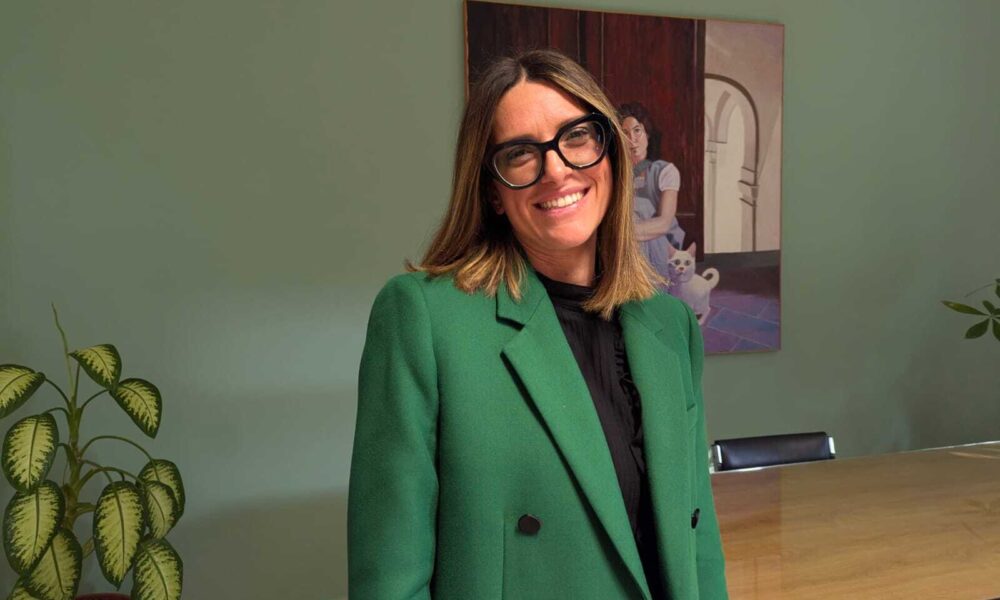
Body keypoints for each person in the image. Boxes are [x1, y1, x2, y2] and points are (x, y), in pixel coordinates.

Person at [348, 49, 728, 600]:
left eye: (578, 136)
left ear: (610, 154)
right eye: (521, 153)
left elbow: (698, 544)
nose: (557, 170)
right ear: (493, 191)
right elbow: (390, 581)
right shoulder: (424, 319)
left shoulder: (671, 324)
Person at [619, 103, 685, 282]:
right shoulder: (618, 175)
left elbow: (664, 223)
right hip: (630, 245)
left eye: (637, 131)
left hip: (661, 242)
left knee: (642, 207)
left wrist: (620, 233)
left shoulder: (665, 171)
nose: (632, 139)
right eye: (625, 133)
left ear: (647, 133)